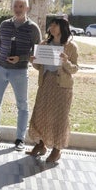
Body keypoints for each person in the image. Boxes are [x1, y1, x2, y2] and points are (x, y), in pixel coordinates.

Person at [0, 0, 42, 151]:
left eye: (21, 6)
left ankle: (20, 138)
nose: (18, 9)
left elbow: (38, 53)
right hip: (0, 69)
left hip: (19, 71)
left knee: (22, 105)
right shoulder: (4, 24)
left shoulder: (33, 28)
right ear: (12, 8)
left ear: (27, 8)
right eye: (16, 6)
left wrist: (21, 58)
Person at [26, 18, 78, 163]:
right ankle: (40, 145)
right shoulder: (44, 44)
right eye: (51, 25)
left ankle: (57, 150)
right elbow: (39, 67)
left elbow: (75, 69)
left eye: (55, 25)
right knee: (40, 114)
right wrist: (34, 61)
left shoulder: (71, 46)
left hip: (62, 86)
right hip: (46, 83)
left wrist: (65, 61)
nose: (52, 27)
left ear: (63, 28)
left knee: (59, 118)